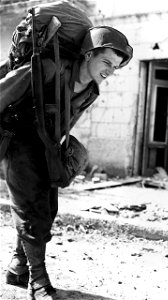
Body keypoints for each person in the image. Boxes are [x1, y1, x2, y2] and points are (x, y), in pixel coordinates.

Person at [0, 25, 133, 300]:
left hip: (47, 146)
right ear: (88, 54)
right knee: (30, 208)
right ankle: (38, 282)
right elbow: (2, 93)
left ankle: (17, 266)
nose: (110, 70)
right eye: (106, 61)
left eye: (116, 67)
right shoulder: (47, 68)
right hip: (18, 139)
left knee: (47, 208)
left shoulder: (92, 91)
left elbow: (66, 123)